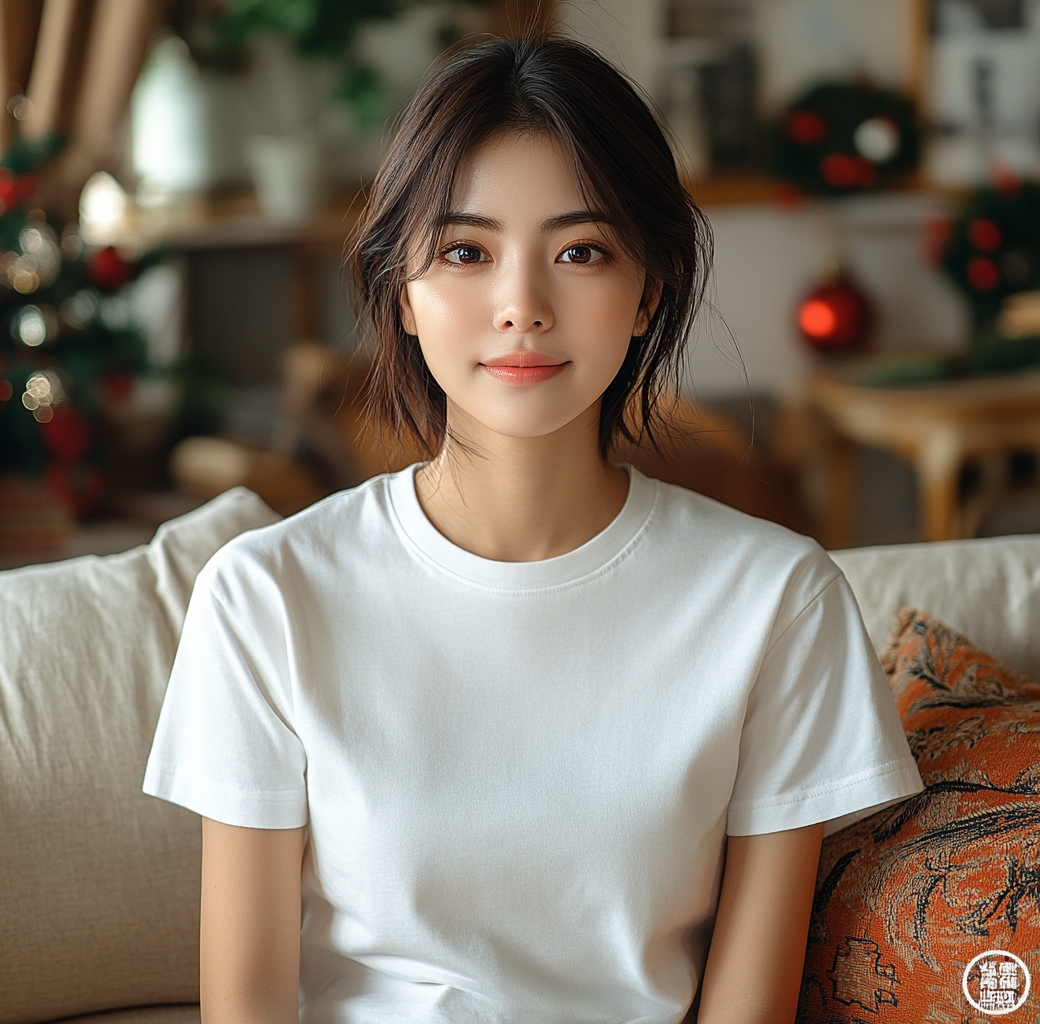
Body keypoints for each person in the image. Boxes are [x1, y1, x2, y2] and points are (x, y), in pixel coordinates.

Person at [143, 33, 923, 1024]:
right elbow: (246, 1002)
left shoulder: (773, 596)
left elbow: (746, 1006)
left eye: (579, 251)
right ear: (403, 293)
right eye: (465, 252)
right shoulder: (267, 594)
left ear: (647, 290)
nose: (521, 306)